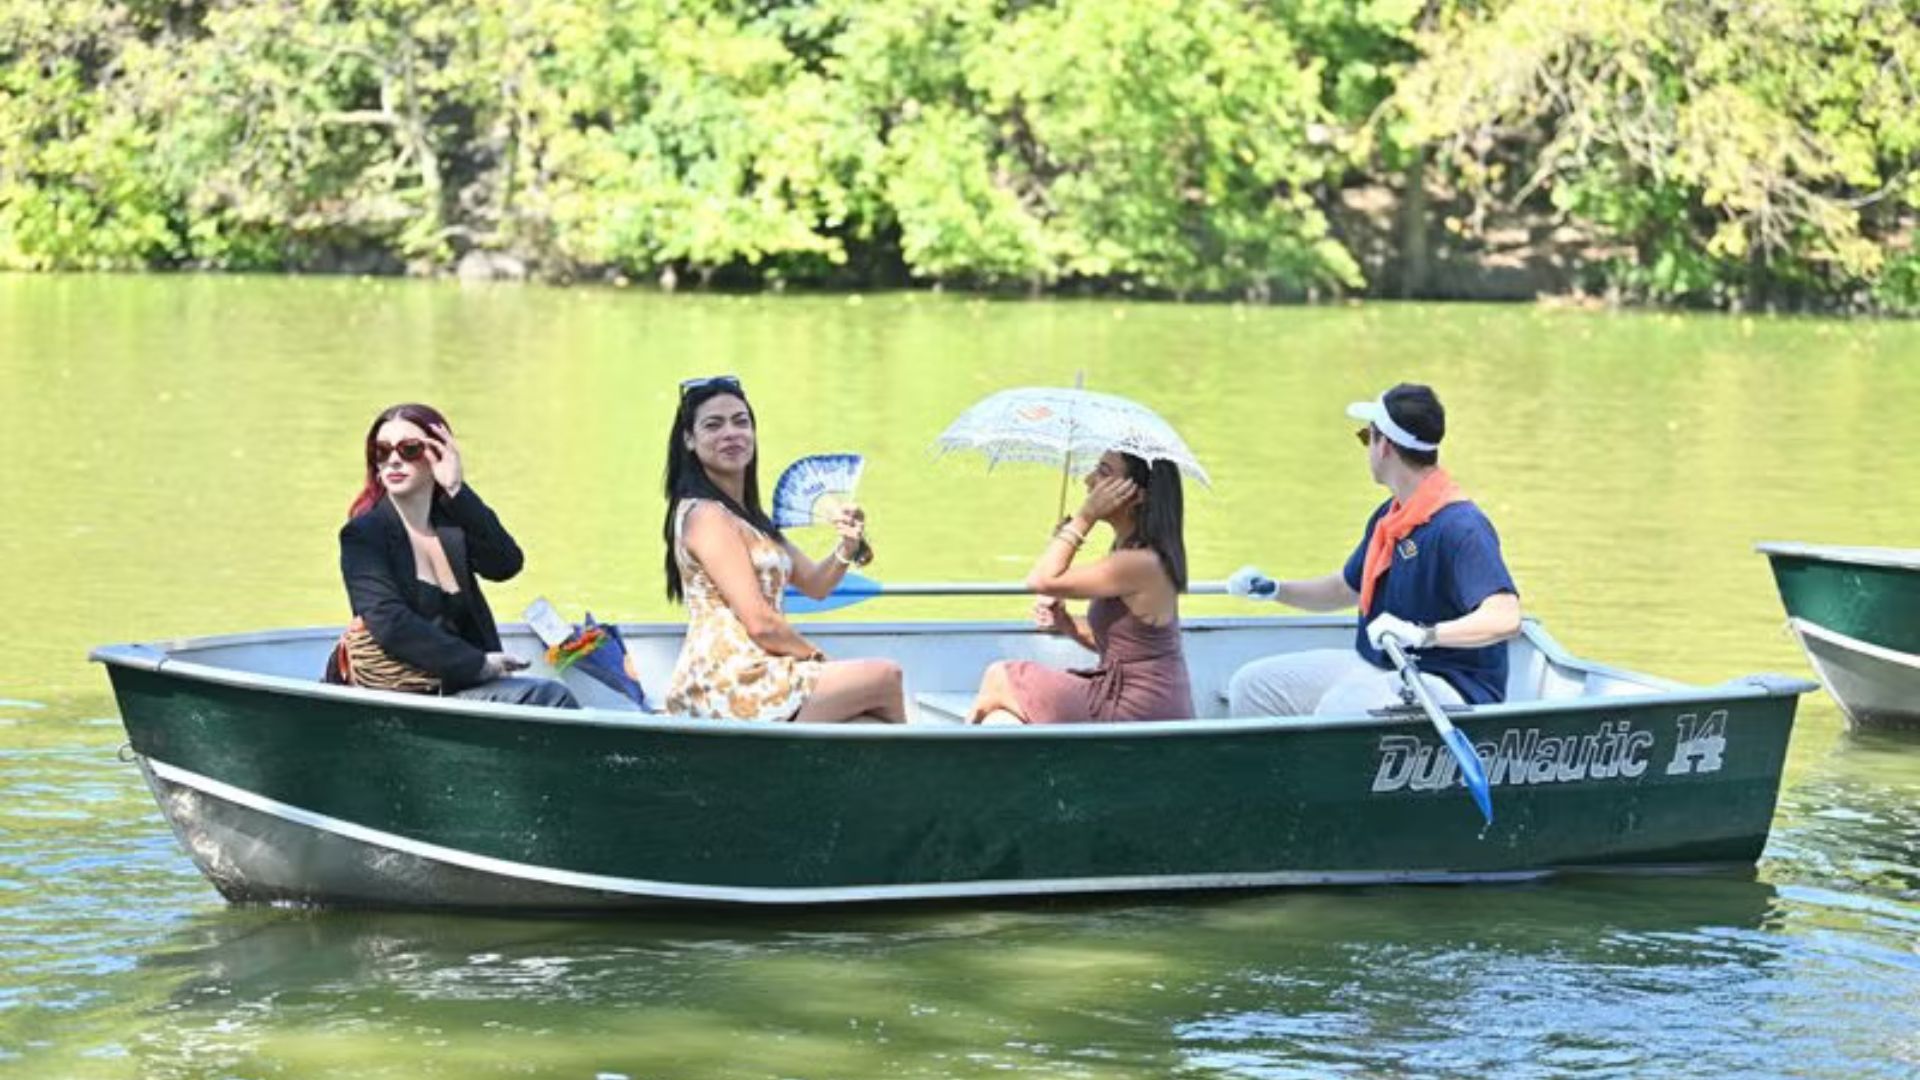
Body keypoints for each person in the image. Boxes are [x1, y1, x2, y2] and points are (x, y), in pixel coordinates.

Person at [1226, 383, 1520, 717]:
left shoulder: (1460, 526)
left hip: (1449, 682)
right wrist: (1275, 589)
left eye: (1367, 437)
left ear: (1384, 447)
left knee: (1342, 707)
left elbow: (1505, 617)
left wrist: (1423, 635)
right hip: (1381, 667)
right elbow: (1344, 588)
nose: (1366, 447)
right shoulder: (1390, 516)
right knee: (1253, 686)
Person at [662, 375, 906, 723]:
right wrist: (816, 658)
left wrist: (846, 546)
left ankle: (827, 773)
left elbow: (817, 585)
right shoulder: (706, 516)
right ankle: (910, 774)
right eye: (713, 425)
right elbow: (761, 623)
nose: (731, 433)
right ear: (689, 439)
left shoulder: (749, 518)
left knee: (867, 721)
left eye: (741, 422)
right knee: (884, 677)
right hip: (726, 678)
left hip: (763, 668)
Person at [335, 403, 579, 707]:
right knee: (549, 697)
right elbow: (390, 622)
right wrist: (479, 664)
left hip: (459, 688)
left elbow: (505, 564)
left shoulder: (452, 523)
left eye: (409, 449)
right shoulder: (364, 535)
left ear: (438, 453)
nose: (394, 460)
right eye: (382, 451)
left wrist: (456, 489)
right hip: (408, 694)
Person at [969, 450, 1195, 724]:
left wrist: (1084, 518)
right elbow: (1125, 645)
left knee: (1000, 676)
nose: (1088, 481)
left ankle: (948, 761)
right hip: (1135, 699)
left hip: (1138, 707)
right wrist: (1066, 623)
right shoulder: (1131, 552)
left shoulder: (1139, 562)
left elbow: (1041, 580)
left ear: (1136, 494)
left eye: (1103, 472)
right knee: (1001, 714)